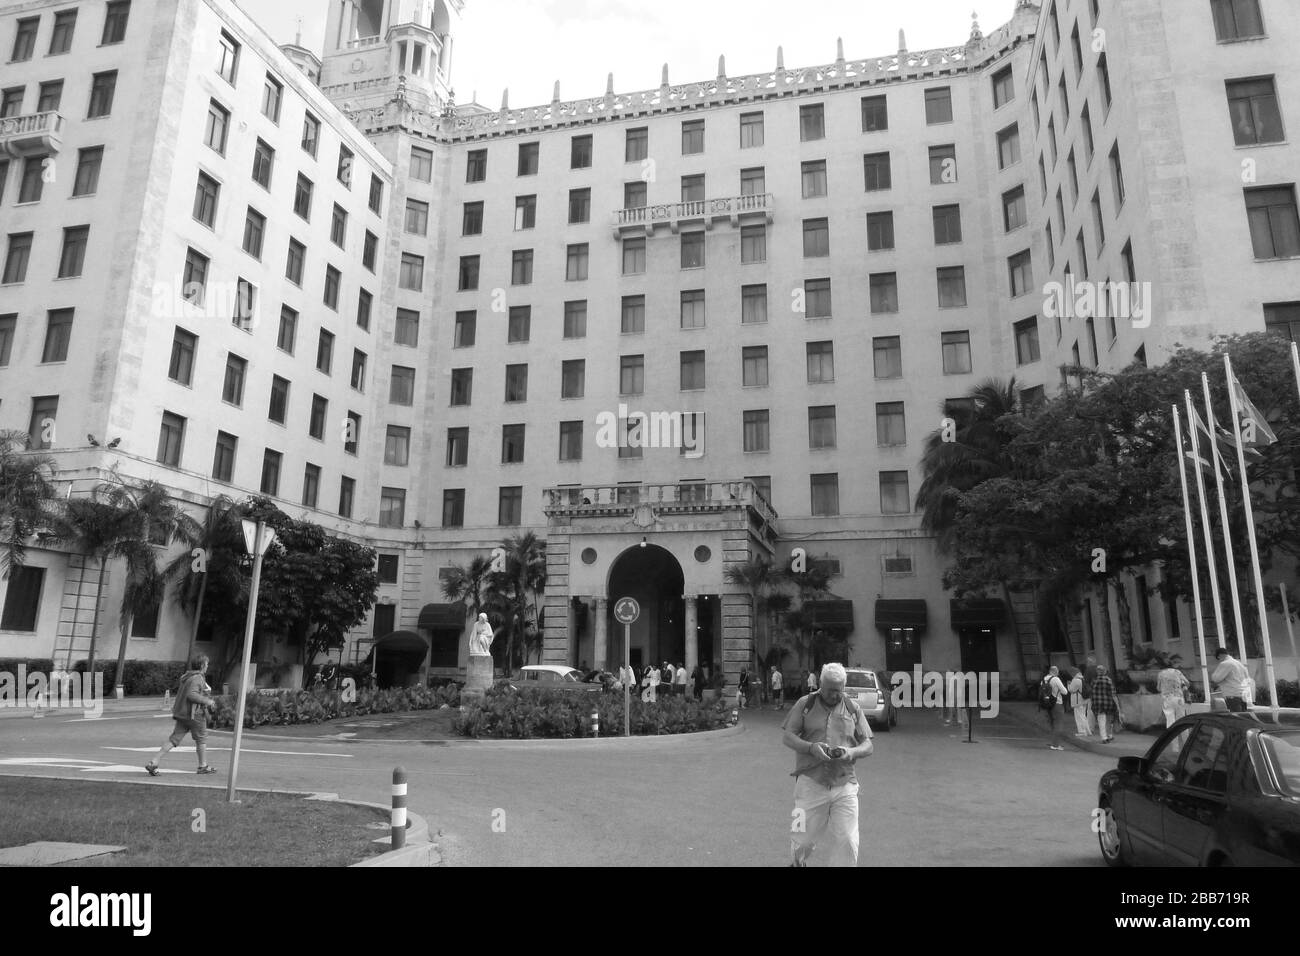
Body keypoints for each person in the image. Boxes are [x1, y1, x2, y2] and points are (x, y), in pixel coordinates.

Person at [781, 663, 873, 867]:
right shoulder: (804, 704)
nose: (834, 694)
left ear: (844, 687)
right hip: (809, 784)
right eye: (829, 689)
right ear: (820, 684)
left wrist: (851, 752)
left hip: (845, 784)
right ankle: (798, 863)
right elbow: (787, 737)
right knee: (801, 840)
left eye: (838, 690)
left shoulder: (852, 707)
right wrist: (811, 747)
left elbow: (868, 745)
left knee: (848, 840)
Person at [146, 654, 218, 776]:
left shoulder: (187, 677)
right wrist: (208, 701)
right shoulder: (198, 678)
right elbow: (192, 695)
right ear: (201, 665)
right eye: (206, 664)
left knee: (174, 739)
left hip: (182, 714)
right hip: (194, 714)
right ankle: (203, 766)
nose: (207, 667)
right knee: (201, 739)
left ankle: (154, 761)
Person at [1210, 647, 1250, 712]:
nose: (1219, 661)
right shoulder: (1239, 664)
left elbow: (1216, 678)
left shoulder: (1225, 663)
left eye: (1218, 659)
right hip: (1243, 695)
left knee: (1235, 718)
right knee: (1242, 718)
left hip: (1232, 695)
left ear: (1220, 655)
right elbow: (1247, 679)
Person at [1091, 664, 1122, 742]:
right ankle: (1109, 735)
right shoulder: (1108, 680)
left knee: (1101, 720)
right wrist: (1117, 705)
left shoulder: (1094, 681)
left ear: (1097, 672)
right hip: (1108, 703)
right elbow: (1113, 693)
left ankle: (1104, 737)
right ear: (1105, 672)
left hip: (1098, 704)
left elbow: (1091, 693)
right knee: (1109, 720)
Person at [1040, 665, 1069, 750]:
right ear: (1056, 672)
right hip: (1057, 703)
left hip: (1046, 704)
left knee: (1052, 724)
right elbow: (1065, 692)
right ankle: (1055, 745)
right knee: (1058, 724)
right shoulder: (1056, 679)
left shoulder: (1044, 679)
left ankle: (1053, 742)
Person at [1067, 669, 1091, 736]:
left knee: (1079, 717)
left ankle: (1082, 732)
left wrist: (1068, 684)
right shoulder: (1082, 679)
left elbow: (1071, 690)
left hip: (1078, 700)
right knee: (1083, 716)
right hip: (1084, 699)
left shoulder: (1075, 680)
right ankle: (1088, 731)